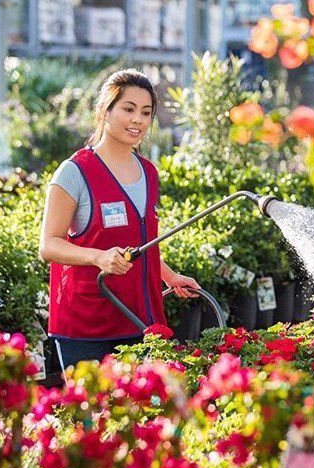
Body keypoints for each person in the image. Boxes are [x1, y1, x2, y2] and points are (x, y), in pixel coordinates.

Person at [39, 68, 199, 370]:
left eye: (146, 112)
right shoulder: (74, 172)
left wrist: (169, 276)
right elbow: (49, 245)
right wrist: (99, 257)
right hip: (88, 325)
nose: (137, 120)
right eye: (128, 109)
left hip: (141, 320)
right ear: (105, 111)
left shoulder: (148, 172)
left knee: (144, 414)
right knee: (91, 414)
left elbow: (141, 242)